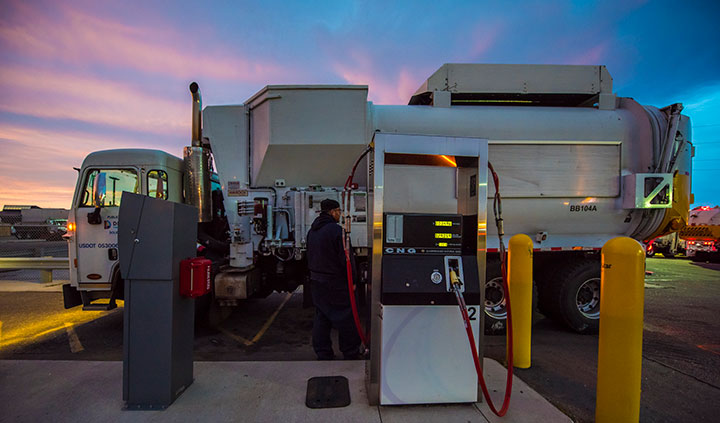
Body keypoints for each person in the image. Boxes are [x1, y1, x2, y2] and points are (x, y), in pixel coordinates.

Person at [306, 198, 361, 360]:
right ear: (332, 212)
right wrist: (353, 281)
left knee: (322, 317)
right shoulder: (338, 232)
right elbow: (347, 259)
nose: (340, 214)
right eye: (338, 211)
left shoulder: (312, 231)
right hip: (336, 283)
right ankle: (350, 351)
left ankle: (323, 352)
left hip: (317, 281)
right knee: (346, 317)